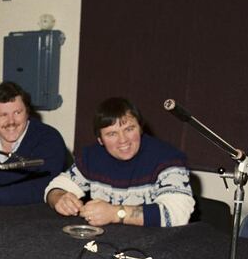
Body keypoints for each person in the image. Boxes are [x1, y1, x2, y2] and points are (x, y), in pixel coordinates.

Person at [45, 97, 194, 227]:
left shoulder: (168, 159)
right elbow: (57, 186)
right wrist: (59, 198)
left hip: (157, 245)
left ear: (140, 128)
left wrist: (115, 213)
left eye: (129, 129)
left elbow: (177, 214)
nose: (123, 140)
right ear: (100, 140)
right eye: (112, 134)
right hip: (110, 244)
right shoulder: (92, 156)